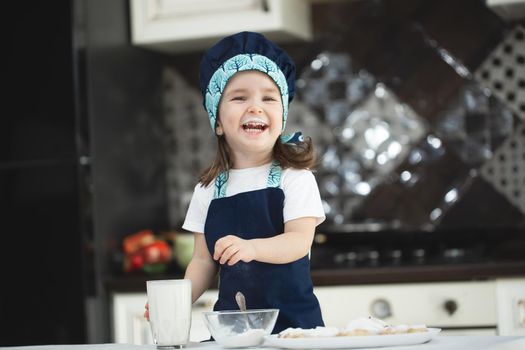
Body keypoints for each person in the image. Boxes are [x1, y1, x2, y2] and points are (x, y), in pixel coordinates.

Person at [146, 31, 325, 333]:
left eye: (268, 98)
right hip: (233, 333)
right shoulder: (207, 190)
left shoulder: (294, 178)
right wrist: (179, 299)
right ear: (217, 120)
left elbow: (298, 242)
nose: (255, 107)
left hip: (294, 330)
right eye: (239, 97)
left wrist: (252, 248)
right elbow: (203, 261)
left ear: (281, 117)